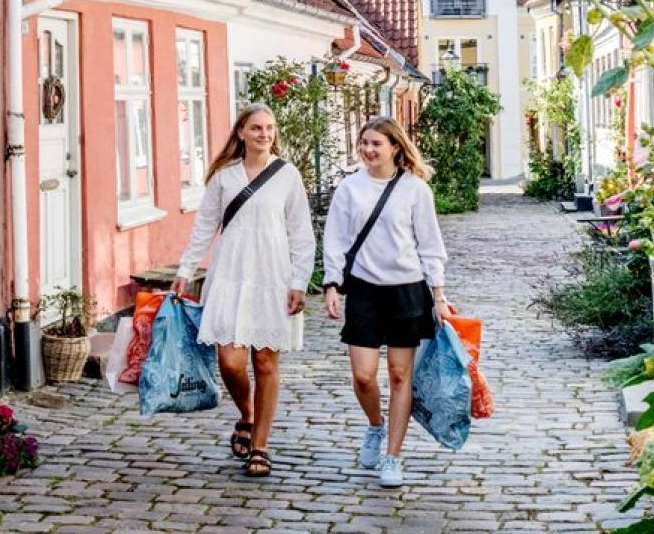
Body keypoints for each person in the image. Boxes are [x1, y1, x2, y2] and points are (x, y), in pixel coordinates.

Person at [172, 103, 315, 478]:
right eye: (256, 128)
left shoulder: (287, 176)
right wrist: (185, 270)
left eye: (269, 128)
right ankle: (247, 414)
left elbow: (301, 232)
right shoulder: (225, 177)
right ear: (241, 132)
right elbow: (204, 226)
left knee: (266, 363)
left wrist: (300, 281)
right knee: (230, 362)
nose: (264, 134)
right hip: (231, 274)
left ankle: (261, 446)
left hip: (272, 276)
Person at [322, 116, 451, 489]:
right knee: (363, 375)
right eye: (364, 143)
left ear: (395, 146)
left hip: (406, 291)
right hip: (364, 289)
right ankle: (375, 427)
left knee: (399, 375)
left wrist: (438, 295)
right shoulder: (349, 189)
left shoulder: (415, 190)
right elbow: (335, 239)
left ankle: (393, 457)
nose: (368, 150)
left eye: (376, 143)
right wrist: (331, 283)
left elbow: (430, 245)